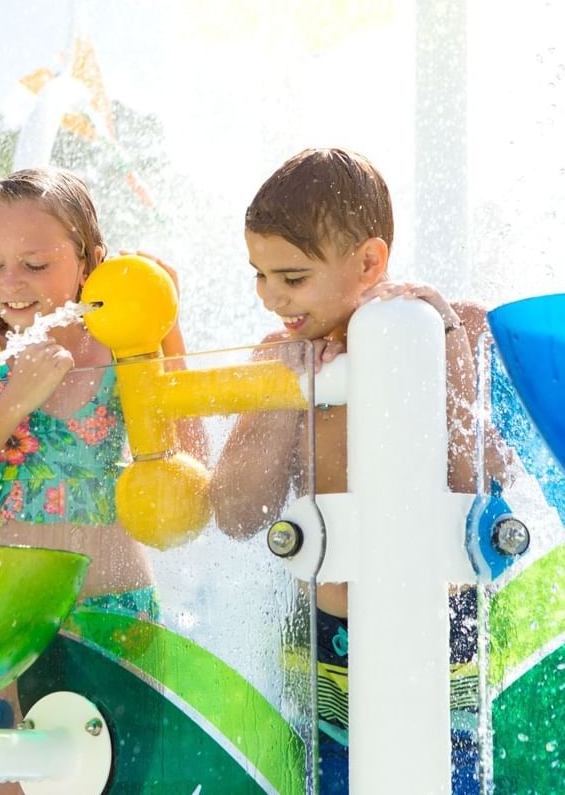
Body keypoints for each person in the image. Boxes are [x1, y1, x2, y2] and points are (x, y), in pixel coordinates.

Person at [209, 148, 511, 795]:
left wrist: (447, 346)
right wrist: (280, 392)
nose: (271, 298)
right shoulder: (283, 358)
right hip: (326, 656)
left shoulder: (450, 327)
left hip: (439, 652)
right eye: (259, 276)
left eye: (290, 277)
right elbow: (236, 514)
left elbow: (484, 484)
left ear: (369, 262)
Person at [0, 167, 195, 791]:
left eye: (35, 265)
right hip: (11, 631)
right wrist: (10, 404)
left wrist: (165, 328)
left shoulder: (123, 346)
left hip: (119, 618)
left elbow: (190, 476)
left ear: (89, 261)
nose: (11, 285)